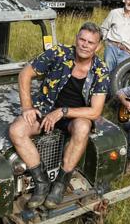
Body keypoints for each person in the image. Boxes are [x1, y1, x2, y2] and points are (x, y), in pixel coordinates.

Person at [8, 22, 109, 209]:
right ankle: (42, 182)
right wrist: (27, 107)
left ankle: (60, 184)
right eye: (82, 39)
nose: (85, 45)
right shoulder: (58, 53)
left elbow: (95, 111)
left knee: (83, 127)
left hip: (73, 117)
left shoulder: (100, 71)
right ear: (76, 39)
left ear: (98, 46)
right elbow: (25, 74)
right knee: (16, 130)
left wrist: (62, 112)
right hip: (45, 109)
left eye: (91, 42)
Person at [101, 0, 130, 73]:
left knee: (120, 75)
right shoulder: (114, 13)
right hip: (111, 47)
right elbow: (104, 28)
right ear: (125, 0)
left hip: (126, 52)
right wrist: (106, 42)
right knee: (107, 72)